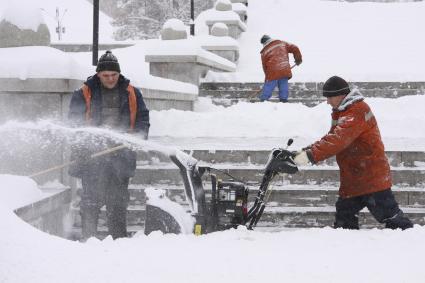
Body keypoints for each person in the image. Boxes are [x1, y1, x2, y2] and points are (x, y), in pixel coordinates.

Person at [293, 75, 413, 230]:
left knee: (393, 220)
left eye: (329, 97)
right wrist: (305, 151)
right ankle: (346, 250)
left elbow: (337, 140)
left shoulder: (357, 110)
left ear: (340, 95)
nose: (327, 101)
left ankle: (412, 242)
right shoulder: (343, 111)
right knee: (344, 221)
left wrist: (308, 156)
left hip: (370, 177)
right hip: (355, 178)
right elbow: (331, 137)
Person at [68, 50, 150, 240]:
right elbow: (74, 125)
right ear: (98, 74)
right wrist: (82, 150)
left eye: (114, 75)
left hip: (120, 157)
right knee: (90, 203)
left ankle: (119, 241)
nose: (111, 78)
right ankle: (90, 240)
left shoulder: (131, 93)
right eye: (106, 75)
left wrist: (138, 137)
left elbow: (142, 119)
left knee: (118, 204)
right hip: (92, 159)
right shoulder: (84, 93)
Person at [259, 34, 302, 102]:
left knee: (269, 86)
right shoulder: (282, 43)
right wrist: (298, 59)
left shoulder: (264, 52)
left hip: (272, 71)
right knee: (283, 84)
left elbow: (265, 66)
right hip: (284, 68)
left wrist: (267, 78)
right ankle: (284, 100)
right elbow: (295, 47)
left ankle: (263, 100)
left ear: (263, 43)